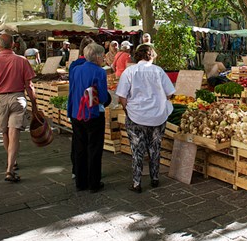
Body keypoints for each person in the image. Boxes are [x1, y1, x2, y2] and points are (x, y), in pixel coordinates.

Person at [116, 44, 175, 193]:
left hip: (136, 116)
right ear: (152, 56)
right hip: (158, 117)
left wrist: (127, 109)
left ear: (137, 56)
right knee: (155, 148)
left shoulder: (129, 71)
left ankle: (137, 183)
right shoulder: (158, 71)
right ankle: (155, 178)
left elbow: (122, 97)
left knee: (137, 151)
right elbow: (169, 93)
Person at [0, 34, 38, 183]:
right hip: (17, 98)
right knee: (14, 134)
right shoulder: (21, 60)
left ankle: (11, 163)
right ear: (13, 44)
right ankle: (9, 167)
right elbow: (29, 85)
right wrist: (34, 104)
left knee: (5, 133)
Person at [67, 43, 111, 193]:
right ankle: (94, 183)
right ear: (97, 56)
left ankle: (80, 181)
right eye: (103, 56)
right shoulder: (100, 72)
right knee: (94, 148)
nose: (104, 58)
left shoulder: (75, 70)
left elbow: (72, 91)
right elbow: (103, 97)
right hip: (93, 113)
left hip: (76, 113)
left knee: (79, 147)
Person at [68, 36, 95, 179]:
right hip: (89, 108)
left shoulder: (73, 65)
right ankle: (90, 173)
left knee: (78, 141)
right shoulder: (94, 67)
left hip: (74, 106)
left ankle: (76, 171)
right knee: (90, 143)